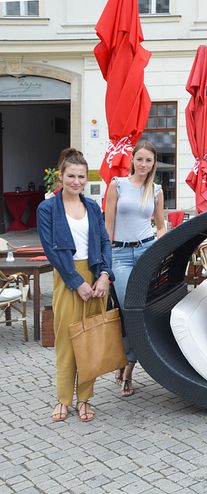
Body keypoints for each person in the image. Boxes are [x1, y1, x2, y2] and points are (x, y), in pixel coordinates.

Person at [38, 148, 114, 423]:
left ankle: (84, 400)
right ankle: (63, 399)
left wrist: (105, 275)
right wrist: (76, 282)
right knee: (67, 339)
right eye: (71, 175)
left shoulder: (92, 207)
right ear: (61, 176)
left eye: (81, 176)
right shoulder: (47, 208)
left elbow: (105, 242)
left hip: (95, 276)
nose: (76, 181)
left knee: (89, 341)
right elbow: (51, 250)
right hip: (68, 276)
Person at [104, 139, 166, 398]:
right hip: (119, 254)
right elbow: (107, 226)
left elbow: (160, 226)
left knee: (139, 310)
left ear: (153, 163)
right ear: (133, 160)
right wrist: (104, 265)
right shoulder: (117, 185)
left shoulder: (156, 190)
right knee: (127, 311)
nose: (143, 164)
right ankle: (124, 358)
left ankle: (128, 369)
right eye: (139, 159)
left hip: (145, 251)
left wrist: (161, 246)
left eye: (148, 160)